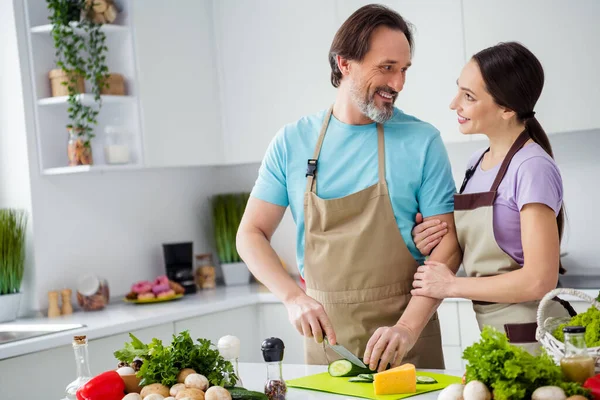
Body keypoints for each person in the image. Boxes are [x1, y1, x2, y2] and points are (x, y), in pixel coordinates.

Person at [236, 4, 462, 371]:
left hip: (408, 341)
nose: (398, 84)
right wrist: (293, 297)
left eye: (404, 70)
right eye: (387, 67)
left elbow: (448, 245)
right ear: (344, 63)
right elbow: (250, 233)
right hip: (327, 346)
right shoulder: (292, 142)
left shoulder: (423, 141)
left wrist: (407, 327)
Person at [410, 41, 575, 352]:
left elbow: (540, 280)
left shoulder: (532, 167)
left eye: (468, 97)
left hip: (538, 338)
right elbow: (470, 242)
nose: (453, 104)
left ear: (507, 109)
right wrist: (430, 233)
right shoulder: (477, 162)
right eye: (459, 90)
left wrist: (451, 285)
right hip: (499, 335)